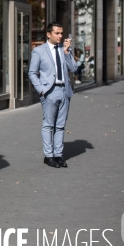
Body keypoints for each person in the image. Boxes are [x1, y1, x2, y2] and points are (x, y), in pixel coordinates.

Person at [29, 22, 77, 169]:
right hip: (49, 91)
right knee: (49, 124)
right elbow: (32, 73)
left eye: (61, 33)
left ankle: (58, 155)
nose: (60, 36)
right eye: (57, 33)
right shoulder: (39, 51)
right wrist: (41, 89)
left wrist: (67, 52)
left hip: (64, 90)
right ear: (49, 34)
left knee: (60, 126)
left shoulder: (64, 49)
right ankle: (49, 156)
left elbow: (73, 68)